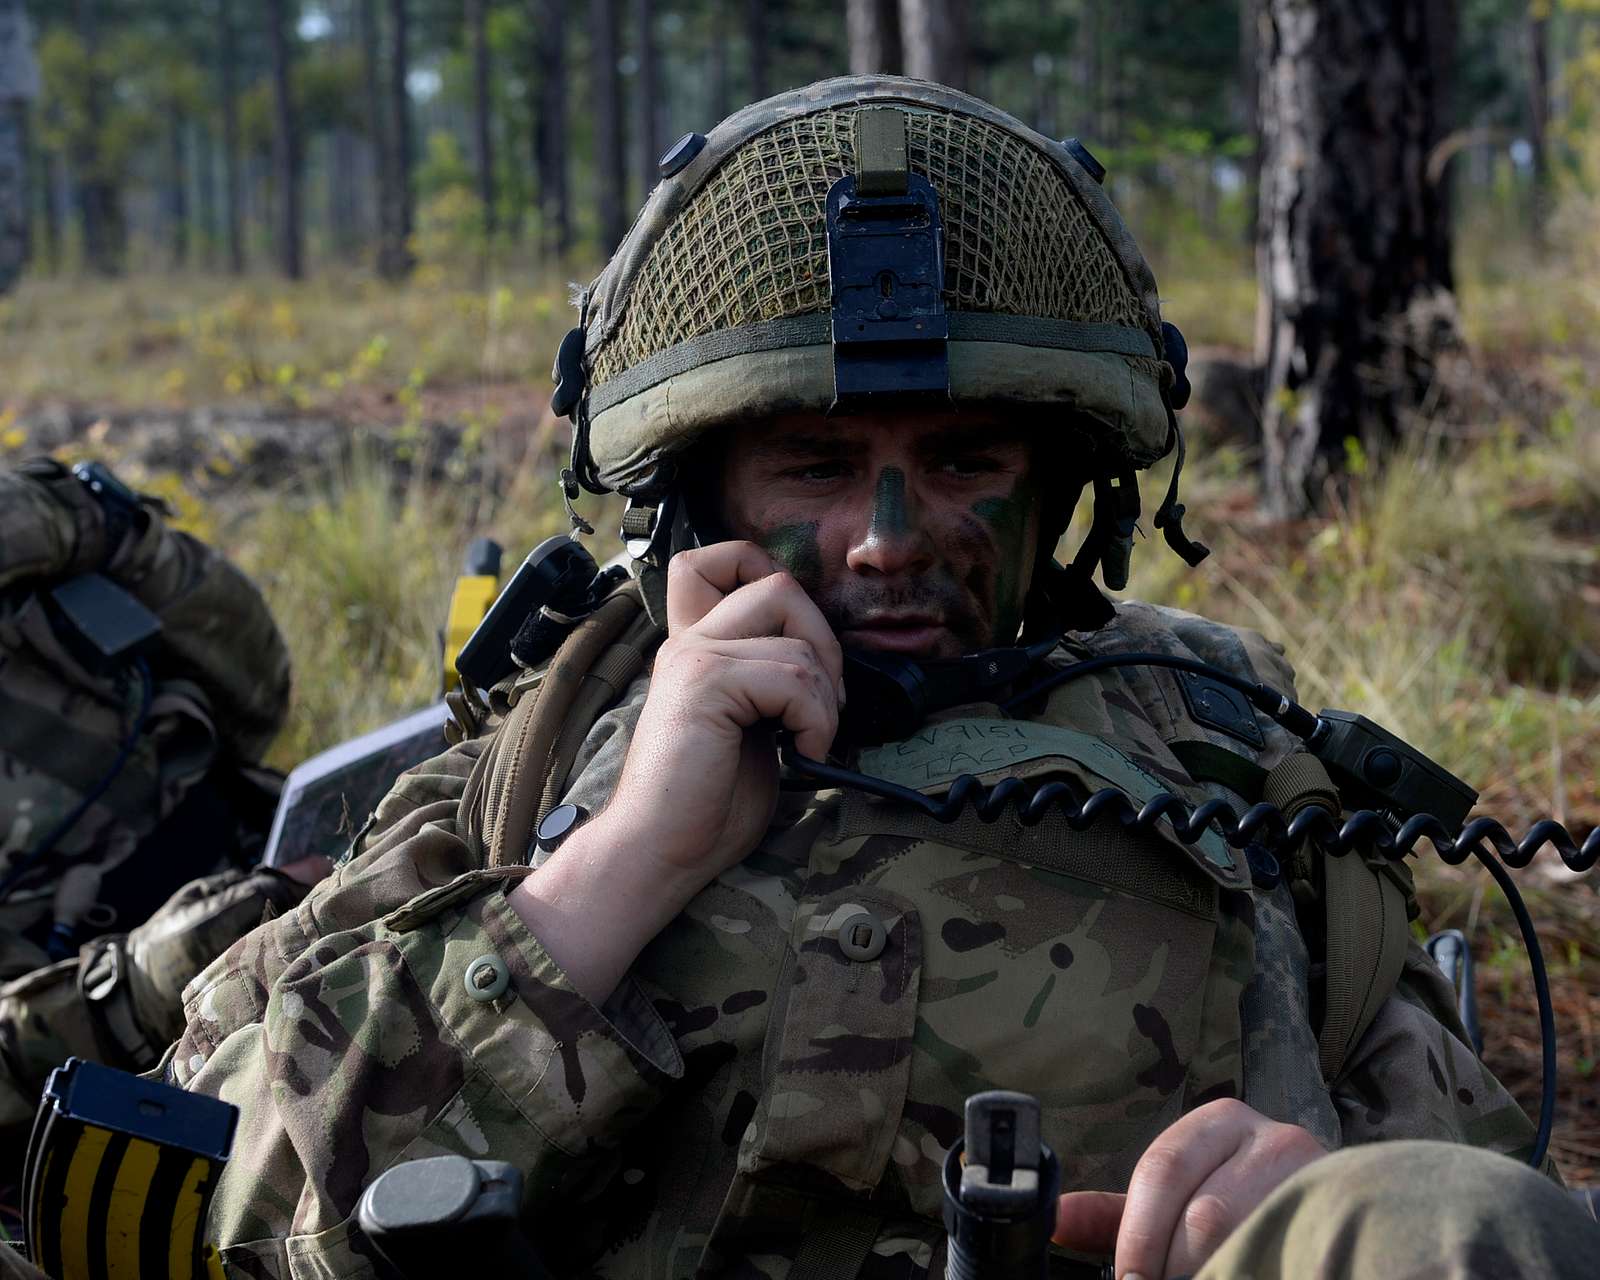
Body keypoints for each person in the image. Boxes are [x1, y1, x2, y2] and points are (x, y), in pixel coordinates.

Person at [164, 78, 1597, 1279]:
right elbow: (231, 1199)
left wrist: (1314, 1197)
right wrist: (615, 872)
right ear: (701, 498)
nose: (890, 544)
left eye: (967, 464)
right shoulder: (553, 757)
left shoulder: (1228, 754)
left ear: (1065, 492)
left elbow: (1483, 1208)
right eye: (817, 469)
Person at [0, 457, 320, 1143]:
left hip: (285, 853)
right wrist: (163, 975)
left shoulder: (27, 550)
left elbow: (259, 697)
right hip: (152, 1084)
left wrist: (106, 531)